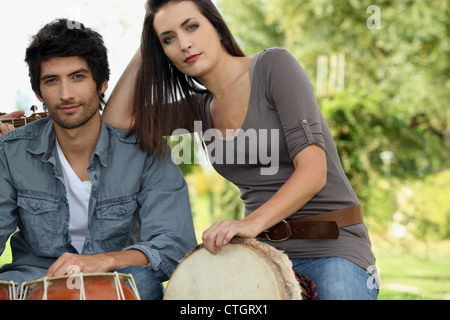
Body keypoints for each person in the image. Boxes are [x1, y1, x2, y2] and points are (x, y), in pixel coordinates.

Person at [103, 0, 378, 300]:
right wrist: (148, 43)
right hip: (261, 257)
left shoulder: (274, 67)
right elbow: (116, 121)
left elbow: (314, 172)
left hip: (332, 248)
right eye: (169, 39)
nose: (184, 44)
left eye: (191, 26)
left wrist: (250, 223)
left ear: (217, 27)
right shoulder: (197, 111)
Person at [0, 19, 197, 300]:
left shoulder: (148, 151)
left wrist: (104, 261)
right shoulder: (11, 152)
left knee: (139, 283)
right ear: (38, 92)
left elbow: (175, 245)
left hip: (112, 282)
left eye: (78, 77)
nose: (66, 94)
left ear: (102, 83)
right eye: (52, 81)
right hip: (32, 283)